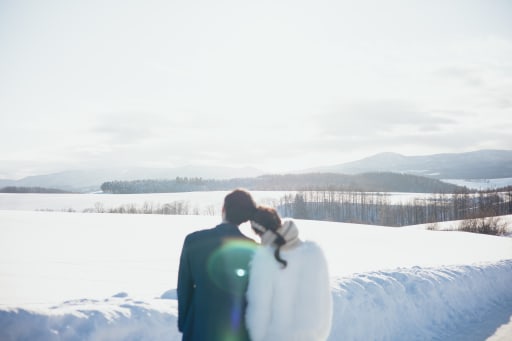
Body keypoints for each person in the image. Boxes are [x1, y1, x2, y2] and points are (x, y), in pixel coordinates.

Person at [177, 189, 258, 341]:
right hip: (237, 330)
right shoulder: (253, 248)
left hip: (199, 327)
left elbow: (184, 288)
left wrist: (185, 325)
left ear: (223, 209)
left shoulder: (193, 240)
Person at [245, 206, 333, 341]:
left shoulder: (264, 259)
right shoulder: (314, 253)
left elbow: (259, 313)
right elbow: (325, 304)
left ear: (259, 232)